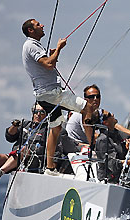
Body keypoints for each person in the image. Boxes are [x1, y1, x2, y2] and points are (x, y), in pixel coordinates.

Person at [21, 18, 94, 175]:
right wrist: (59, 48)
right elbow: (48, 64)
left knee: (55, 128)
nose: (42, 25)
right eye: (38, 25)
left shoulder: (34, 45)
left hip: (45, 95)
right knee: (87, 109)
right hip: (51, 94)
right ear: (31, 31)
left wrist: (53, 54)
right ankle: (92, 150)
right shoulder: (31, 45)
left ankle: (50, 167)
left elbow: (47, 63)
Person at [0, 105, 48, 205]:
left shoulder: (49, 129)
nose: (38, 114)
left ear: (47, 114)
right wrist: (14, 126)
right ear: (32, 112)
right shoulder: (25, 124)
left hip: (34, 160)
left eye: (42, 112)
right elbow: (10, 137)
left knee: (23, 150)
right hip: (16, 157)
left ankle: (1, 171)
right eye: (36, 111)